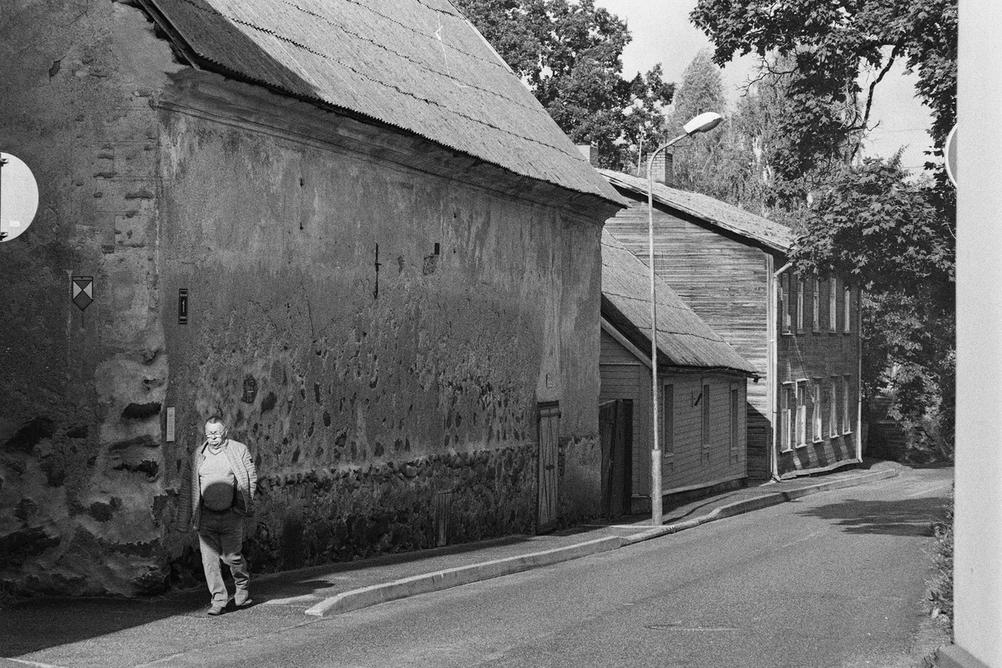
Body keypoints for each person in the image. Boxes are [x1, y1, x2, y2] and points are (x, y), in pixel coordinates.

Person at [187, 416, 257, 616]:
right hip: (206, 516)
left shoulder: (238, 450)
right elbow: (188, 486)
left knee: (231, 557)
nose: (213, 437)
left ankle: (242, 585)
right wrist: (188, 516)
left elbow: (250, 478)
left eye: (216, 433)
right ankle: (218, 600)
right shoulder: (198, 455)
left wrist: (242, 506)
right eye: (209, 433)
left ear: (225, 431)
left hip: (231, 515)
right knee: (209, 562)